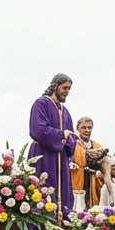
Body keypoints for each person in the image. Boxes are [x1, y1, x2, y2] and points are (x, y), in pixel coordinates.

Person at [28, 73, 77, 217]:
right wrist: (61, 135)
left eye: (69, 89)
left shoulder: (65, 112)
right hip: (42, 155)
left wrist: (69, 139)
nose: (67, 91)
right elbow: (38, 129)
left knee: (62, 195)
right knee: (43, 191)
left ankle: (63, 226)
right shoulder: (41, 103)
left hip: (60, 158)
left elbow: (72, 136)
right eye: (64, 88)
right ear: (55, 86)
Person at [69, 116, 104, 210]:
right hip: (77, 180)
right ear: (78, 129)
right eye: (84, 127)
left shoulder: (97, 146)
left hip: (93, 183)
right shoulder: (72, 144)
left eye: (89, 127)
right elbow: (66, 158)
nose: (87, 130)